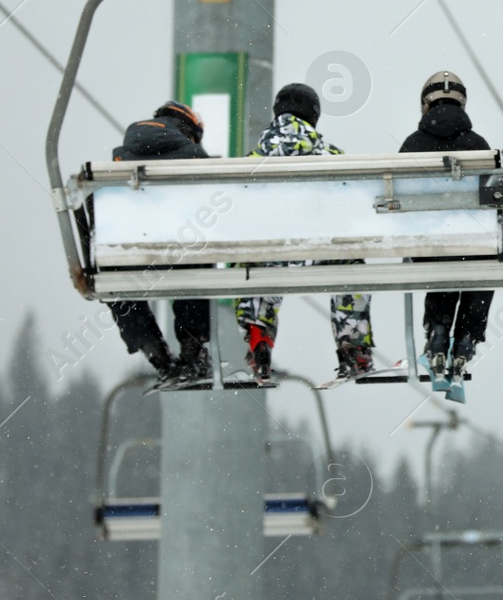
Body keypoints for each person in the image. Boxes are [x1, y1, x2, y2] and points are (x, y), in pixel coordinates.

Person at [235, 83, 375, 383]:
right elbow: (357, 207)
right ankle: (354, 349)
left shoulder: (250, 160)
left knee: (249, 264)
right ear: (314, 116)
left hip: (270, 255)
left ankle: (259, 342)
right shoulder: (333, 156)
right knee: (352, 267)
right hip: (322, 253)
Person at [106, 102, 212, 383]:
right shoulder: (194, 155)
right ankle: (193, 350)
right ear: (189, 128)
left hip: (125, 253)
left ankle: (154, 351)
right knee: (196, 260)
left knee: (114, 278)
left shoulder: (120, 157)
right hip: (181, 250)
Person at [400, 71, 492, 391]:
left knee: (441, 254)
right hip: (475, 248)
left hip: (429, 249)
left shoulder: (412, 145)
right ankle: (466, 337)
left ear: (426, 104)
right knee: (479, 258)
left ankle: (438, 331)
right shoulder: (479, 146)